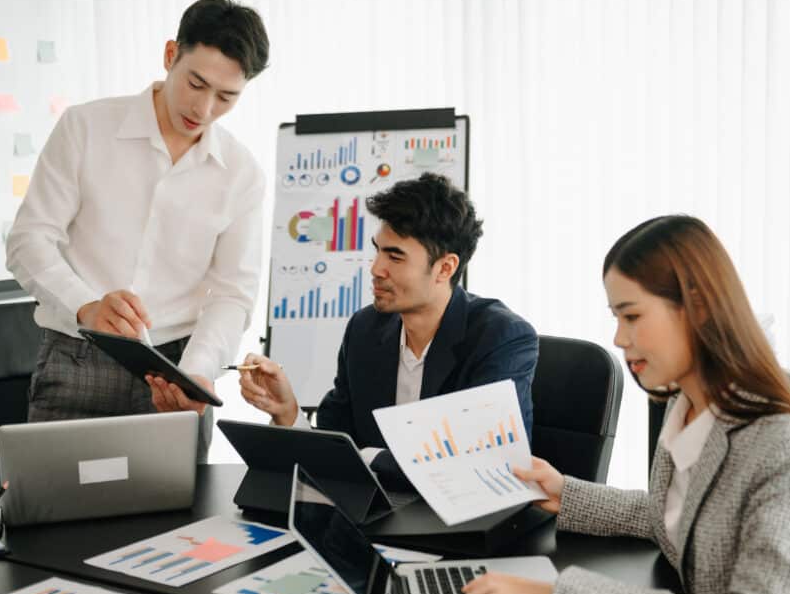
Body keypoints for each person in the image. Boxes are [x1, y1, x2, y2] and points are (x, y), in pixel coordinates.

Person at [453, 215, 790, 594]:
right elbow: (675, 517)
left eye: (632, 315)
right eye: (616, 317)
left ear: (698, 307)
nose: (619, 338)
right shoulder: (685, 407)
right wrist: (568, 494)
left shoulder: (785, 449)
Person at [5, 0, 269, 460]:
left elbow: (233, 294)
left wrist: (199, 374)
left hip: (176, 372)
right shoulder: (85, 127)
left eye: (226, 97)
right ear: (171, 55)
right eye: (196, 83)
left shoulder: (242, 173)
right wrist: (85, 305)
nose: (204, 109)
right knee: (55, 521)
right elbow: (29, 240)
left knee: (176, 528)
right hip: (77, 358)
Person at [154, 173, 539, 488]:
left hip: (462, 536)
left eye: (395, 256)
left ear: (444, 267)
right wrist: (289, 413)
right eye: (377, 250)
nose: (375, 269)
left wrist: (365, 458)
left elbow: (481, 469)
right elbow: (336, 444)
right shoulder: (366, 330)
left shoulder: (501, 338)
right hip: (373, 523)